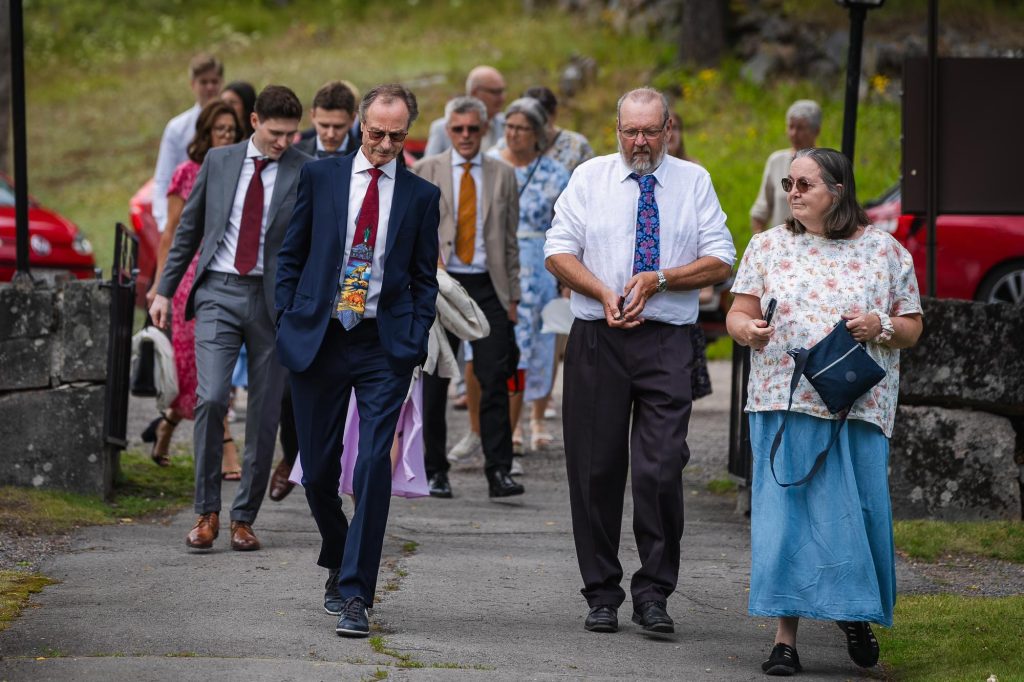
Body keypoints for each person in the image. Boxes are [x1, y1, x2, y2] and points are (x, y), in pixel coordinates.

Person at [544, 87, 735, 635]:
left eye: (651, 131)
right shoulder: (589, 177)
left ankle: (654, 592)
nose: (641, 142)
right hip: (597, 337)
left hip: (666, 341)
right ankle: (601, 592)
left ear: (668, 128)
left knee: (660, 467)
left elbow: (722, 257)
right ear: (617, 130)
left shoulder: (692, 181)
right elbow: (557, 250)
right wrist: (603, 291)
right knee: (595, 469)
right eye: (631, 131)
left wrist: (662, 279)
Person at [727, 147, 922, 676]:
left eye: (804, 185)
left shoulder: (885, 252)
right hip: (782, 401)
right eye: (789, 183)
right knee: (787, 521)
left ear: (837, 191)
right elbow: (738, 313)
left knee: (850, 519)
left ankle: (853, 613)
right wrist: (748, 330)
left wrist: (878, 325)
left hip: (855, 408)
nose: (792, 193)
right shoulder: (767, 245)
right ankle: (784, 640)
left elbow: (912, 327)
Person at [275, 84, 441, 637]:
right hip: (319, 338)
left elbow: (422, 278)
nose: (385, 144)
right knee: (318, 471)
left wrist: (414, 337)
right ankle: (339, 547)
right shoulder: (321, 178)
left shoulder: (420, 196)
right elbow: (291, 254)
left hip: (382, 344)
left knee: (372, 466)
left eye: (396, 135)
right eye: (376, 133)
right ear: (358, 126)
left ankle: (355, 594)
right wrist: (287, 316)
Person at [150, 85, 309, 552]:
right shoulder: (219, 163)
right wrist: (163, 291)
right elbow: (187, 232)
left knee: (263, 416)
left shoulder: (306, 172)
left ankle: (243, 518)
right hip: (219, 290)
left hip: (273, 303)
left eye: (291, 135)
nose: (283, 143)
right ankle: (206, 513)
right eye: (276, 133)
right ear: (255, 120)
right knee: (212, 396)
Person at [412, 96, 524, 500]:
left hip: (486, 286)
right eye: (457, 129)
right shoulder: (427, 170)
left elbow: (510, 242)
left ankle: (499, 470)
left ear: (483, 130)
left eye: (472, 129)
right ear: (448, 129)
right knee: (436, 378)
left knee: (495, 376)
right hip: (439, 285)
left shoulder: (503, 174)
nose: (464, 136)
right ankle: (434, 470)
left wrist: (512, 298)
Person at [143, 100, 244, 479]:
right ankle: (227, 448)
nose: (226, 137)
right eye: (220, 130)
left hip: (224, 275)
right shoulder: (187, 173)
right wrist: (160, 284)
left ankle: (166, 427)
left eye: (232, 131)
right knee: (198, 368)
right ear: (205, 133)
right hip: (189, 278)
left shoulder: (238, 170)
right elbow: (171, 233)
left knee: (207, 369)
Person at [488, 97, 570, 460]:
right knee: (512, 344)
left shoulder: (555, 173)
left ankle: (537, 416)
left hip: (541, 264)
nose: (514, 134)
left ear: (537, 134)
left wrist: (568, 277)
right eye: (509, 126)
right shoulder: (491, 163)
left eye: (522, 128)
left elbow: (566, 226)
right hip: (502, 261)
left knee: (544, 340)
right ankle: (511, 423)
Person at [665, 109, 714, 401]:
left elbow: (702, 231)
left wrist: (703, 281)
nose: (670, 135)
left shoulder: (693, 171)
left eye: (675, 128)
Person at [152, 53, 225, 233]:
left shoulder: (233, 124)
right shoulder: (177, 128)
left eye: (214, 82)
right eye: (203, 82)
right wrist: (166, 224)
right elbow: (163, 179)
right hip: (188, 218)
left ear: (221, 83)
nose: (210, 87)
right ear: (193, 84)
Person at [750, 100, 822, 234]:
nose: (794, 133)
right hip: (780, 248)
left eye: (800, 128)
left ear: (816, 131)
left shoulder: (827, 163)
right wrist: (759, 244)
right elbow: (760, 212)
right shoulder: (776, 161)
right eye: (791, 127)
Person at [495, 86, 594, 173]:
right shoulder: (505, 146)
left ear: (554, 114)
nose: (514, 133)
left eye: (537, 119)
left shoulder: (577, 146)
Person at [424, 66, 507, 156]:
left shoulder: (508, 126)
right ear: (475, 93)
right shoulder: (441, 129)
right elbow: (428, 167)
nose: (502, 98)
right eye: (495, 92)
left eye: (502, 91)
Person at [294, 80, 360, 158]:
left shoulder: (368, 156)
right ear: (312, 116)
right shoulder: (292, 154)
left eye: (338, 127)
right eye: (324, 125)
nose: (330, 135)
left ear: (352, 119)